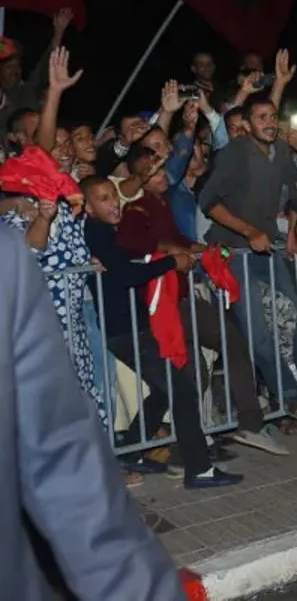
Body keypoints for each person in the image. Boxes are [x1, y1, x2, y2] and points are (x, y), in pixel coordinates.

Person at [0, 225, 186, 600]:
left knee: (99, 390)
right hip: (88, 321)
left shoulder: (6, 260)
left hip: (81, 320)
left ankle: (129, 450)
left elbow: (63, 456)